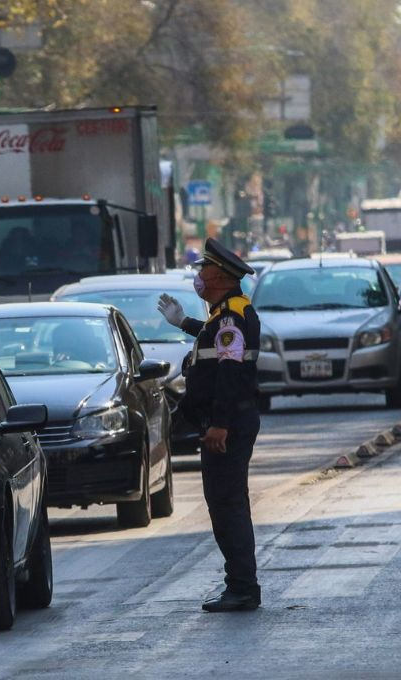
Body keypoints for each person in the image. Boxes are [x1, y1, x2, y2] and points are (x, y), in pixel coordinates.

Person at [157, 237, 261, 613]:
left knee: (227, 505)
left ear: (219, 274)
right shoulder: (226, 314)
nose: (199, 274)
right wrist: (184, 322)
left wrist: (219, 425)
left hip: (228, 427)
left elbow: (231, 372)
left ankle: (243, 588)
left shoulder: (231, 316)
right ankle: (240, 584)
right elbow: (217, 343)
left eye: (203, 268)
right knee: (227, 504)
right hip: (230, 422)